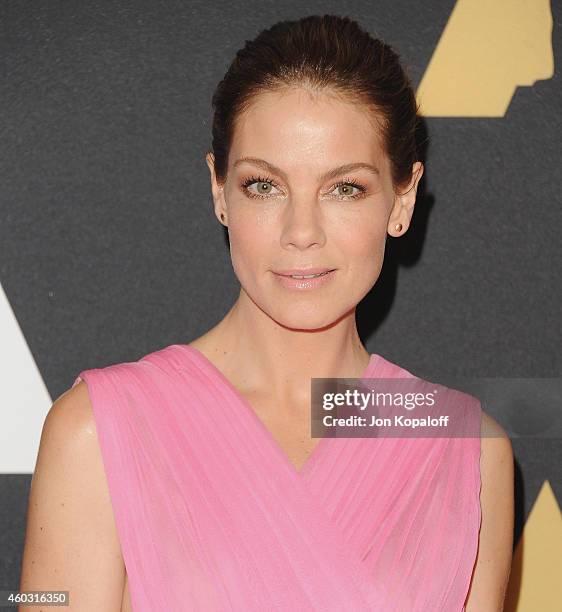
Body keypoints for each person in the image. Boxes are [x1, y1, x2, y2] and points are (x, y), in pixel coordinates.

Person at [19, 14, 514, 611]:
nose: (301, 232)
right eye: (264, 186)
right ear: (218, 189)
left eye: (345, 188)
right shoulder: (97, 433)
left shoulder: (467, 450)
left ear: (401, 200)